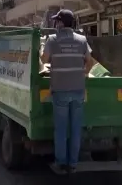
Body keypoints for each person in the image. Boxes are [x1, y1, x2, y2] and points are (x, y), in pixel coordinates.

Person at [40, 9, 96, 174]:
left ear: (62, 23)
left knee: (61, 129)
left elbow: (44, 59)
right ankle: (73, 163)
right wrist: (83, 74)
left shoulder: (52, 39)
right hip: (78, 89)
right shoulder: (82, 40)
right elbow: (90, 61)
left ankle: (60, 162)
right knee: (76, 128)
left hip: (60, 90)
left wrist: (42, 49)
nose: (56, 23)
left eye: (57, 21)